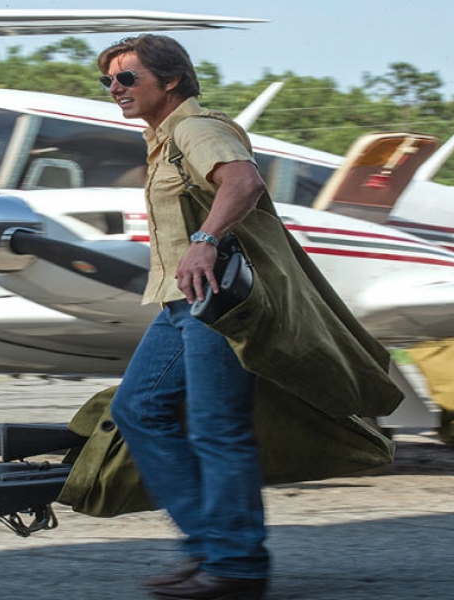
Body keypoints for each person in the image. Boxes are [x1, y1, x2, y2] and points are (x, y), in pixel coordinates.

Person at [98, 34, 270, 600]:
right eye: (109, 81)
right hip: (180, 303)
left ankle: (236, 566)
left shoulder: (196, 130)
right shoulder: (161, 140)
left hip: (214, 300)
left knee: (219, 428)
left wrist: (205, 239)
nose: (115, 89)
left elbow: (242, 180)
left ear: (170, 80)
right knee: (137, 409)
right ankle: (209, 547)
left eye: (127, 78)